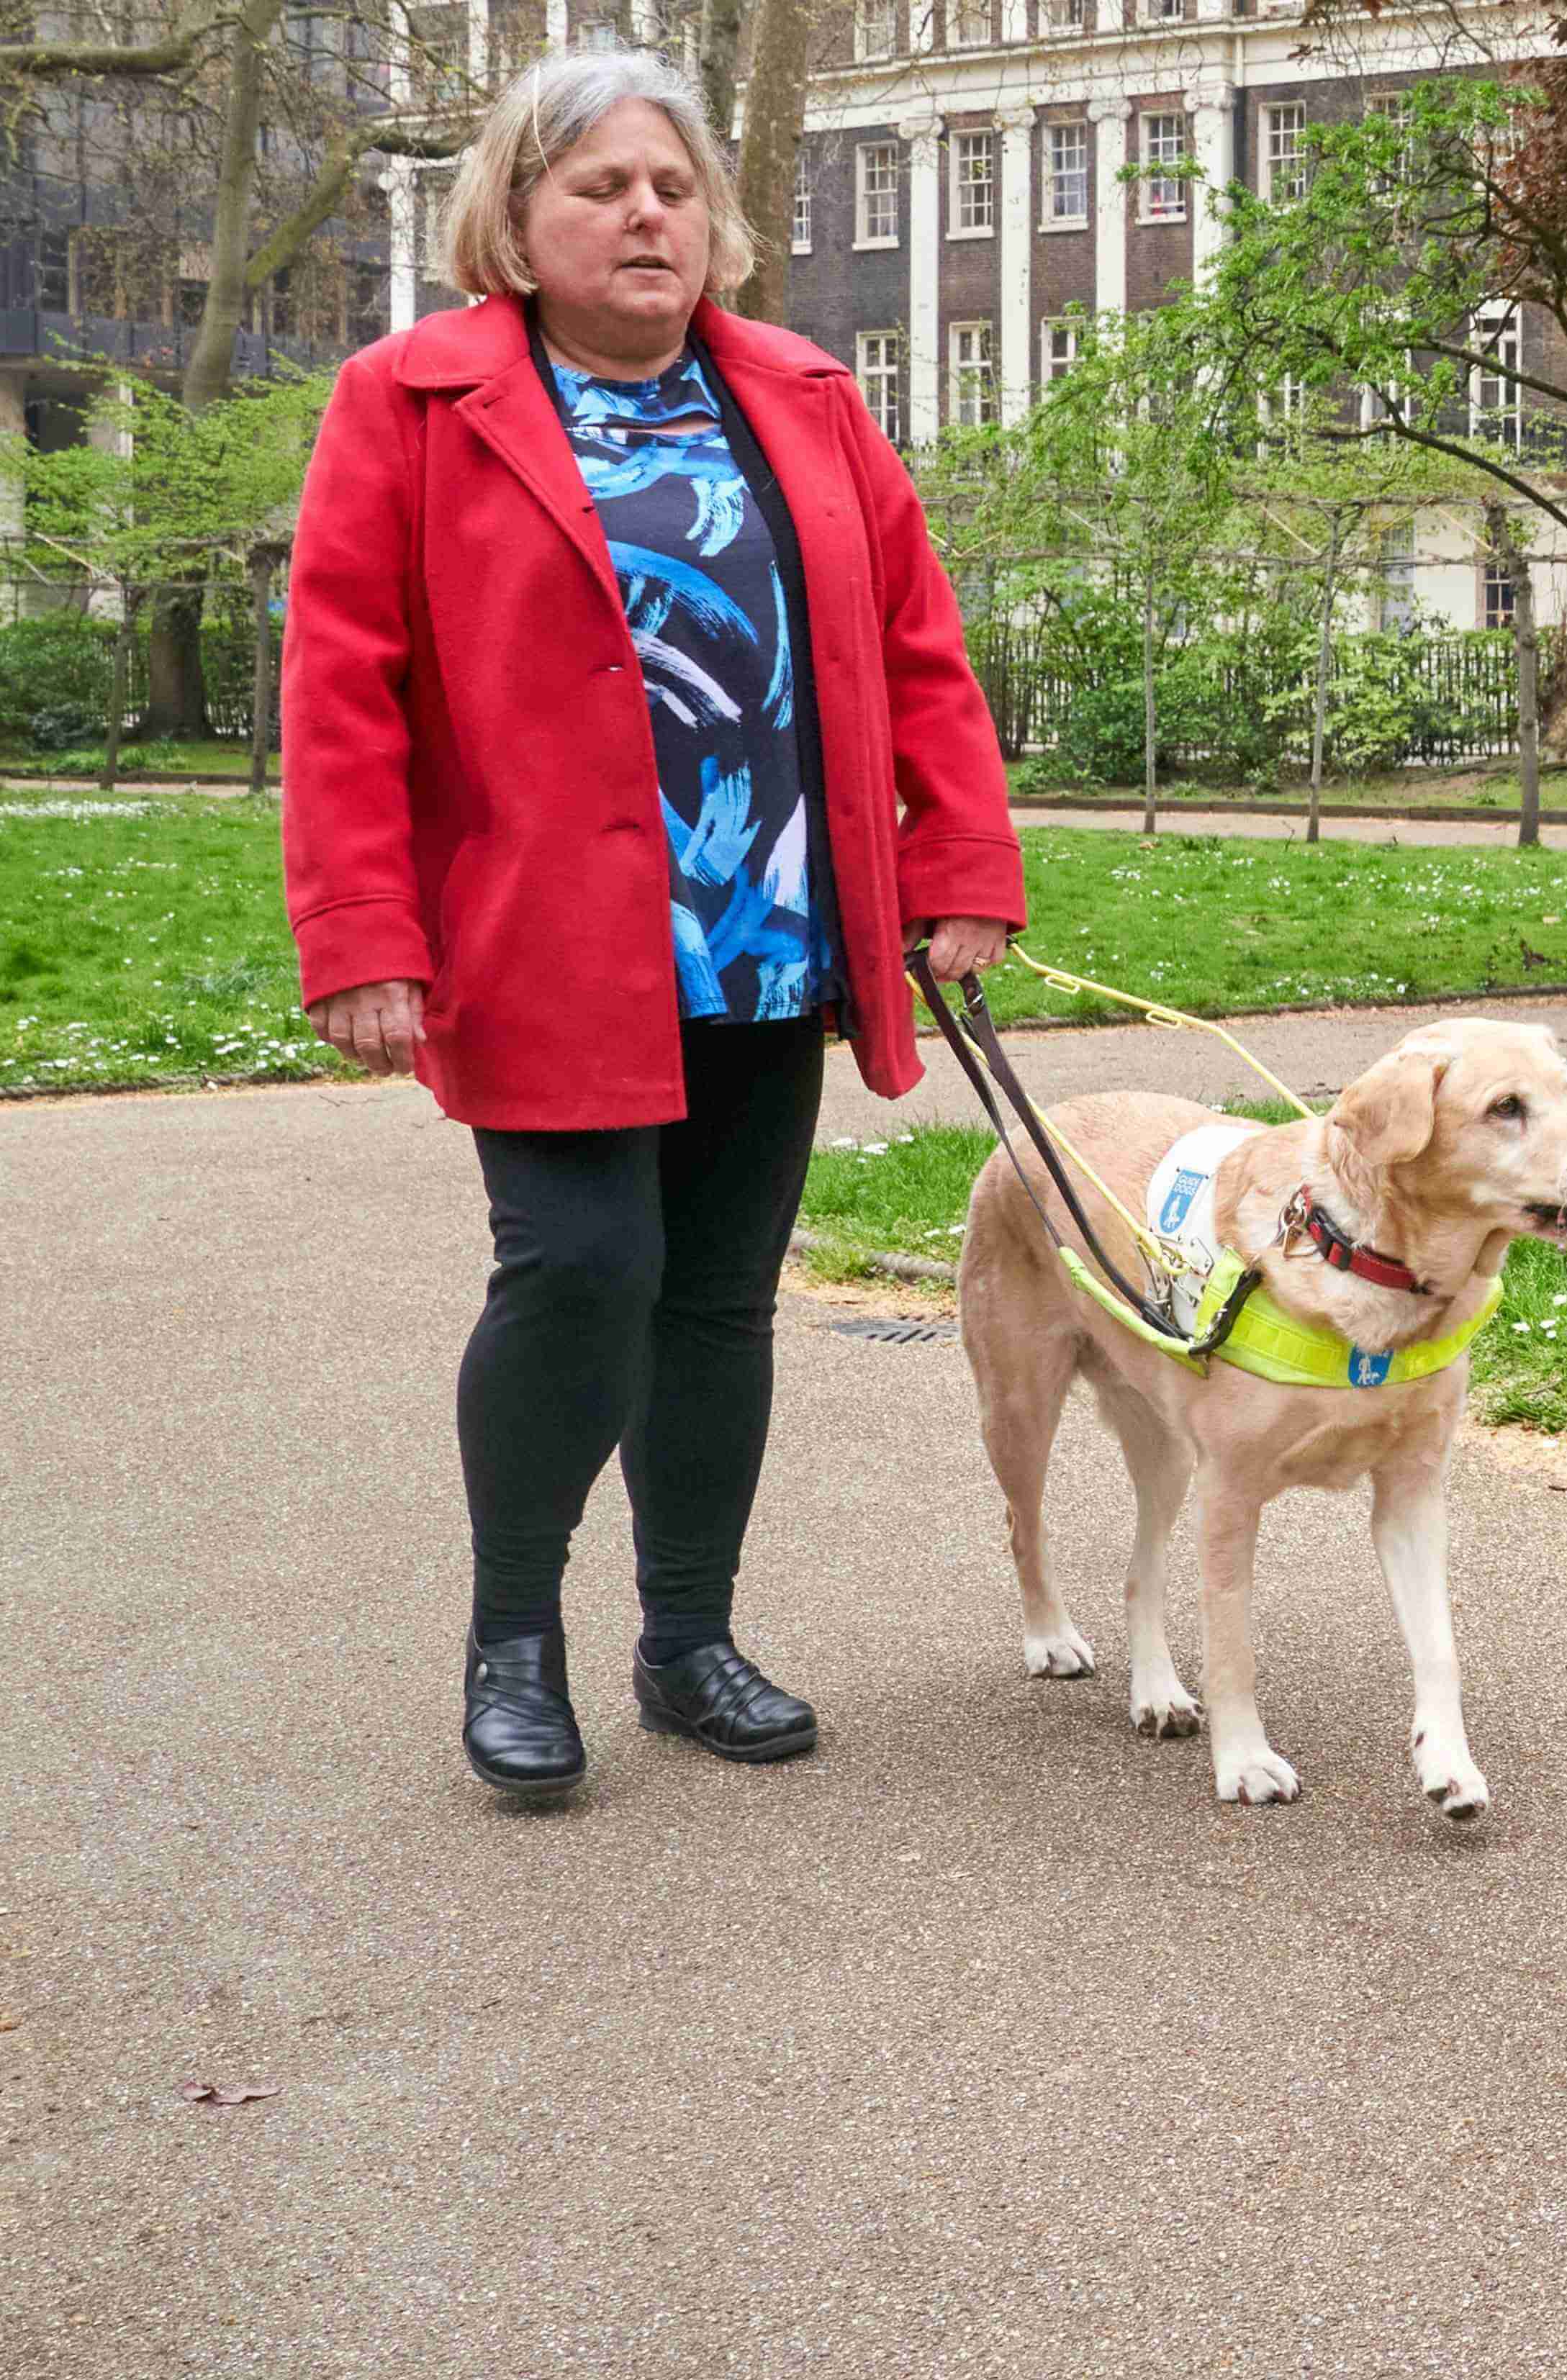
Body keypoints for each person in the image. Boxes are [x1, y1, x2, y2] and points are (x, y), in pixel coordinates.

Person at [280, 50, 1026, 1803]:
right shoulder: (414, 401)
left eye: (673, 190)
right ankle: (513, 1641)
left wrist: (958, 870)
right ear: (518, 224)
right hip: (540, 930)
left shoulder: (805, 396)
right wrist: (363, 932)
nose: (646, 217)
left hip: (767, 927)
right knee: (580, 1268)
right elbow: (342, 692)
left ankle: (689, 1640)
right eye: (602, 188)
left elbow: (915, 645)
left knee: (715, 1296)